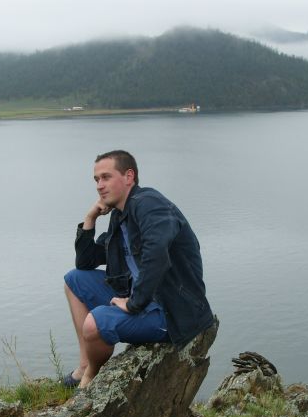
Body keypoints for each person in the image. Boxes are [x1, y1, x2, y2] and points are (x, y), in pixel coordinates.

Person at [63, 149, 213, 388]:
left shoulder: (150, 204)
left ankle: (91, 375)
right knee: (74, 280)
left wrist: (134, 304)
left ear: (129, 176)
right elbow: (85, 263)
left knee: (94, 324)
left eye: (106, 177)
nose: (99, 185)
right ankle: (83, 366)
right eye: (96, 179)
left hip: (170, 310)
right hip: (142, 297)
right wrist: (90, 219)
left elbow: (157, 254)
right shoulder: (120, 216)